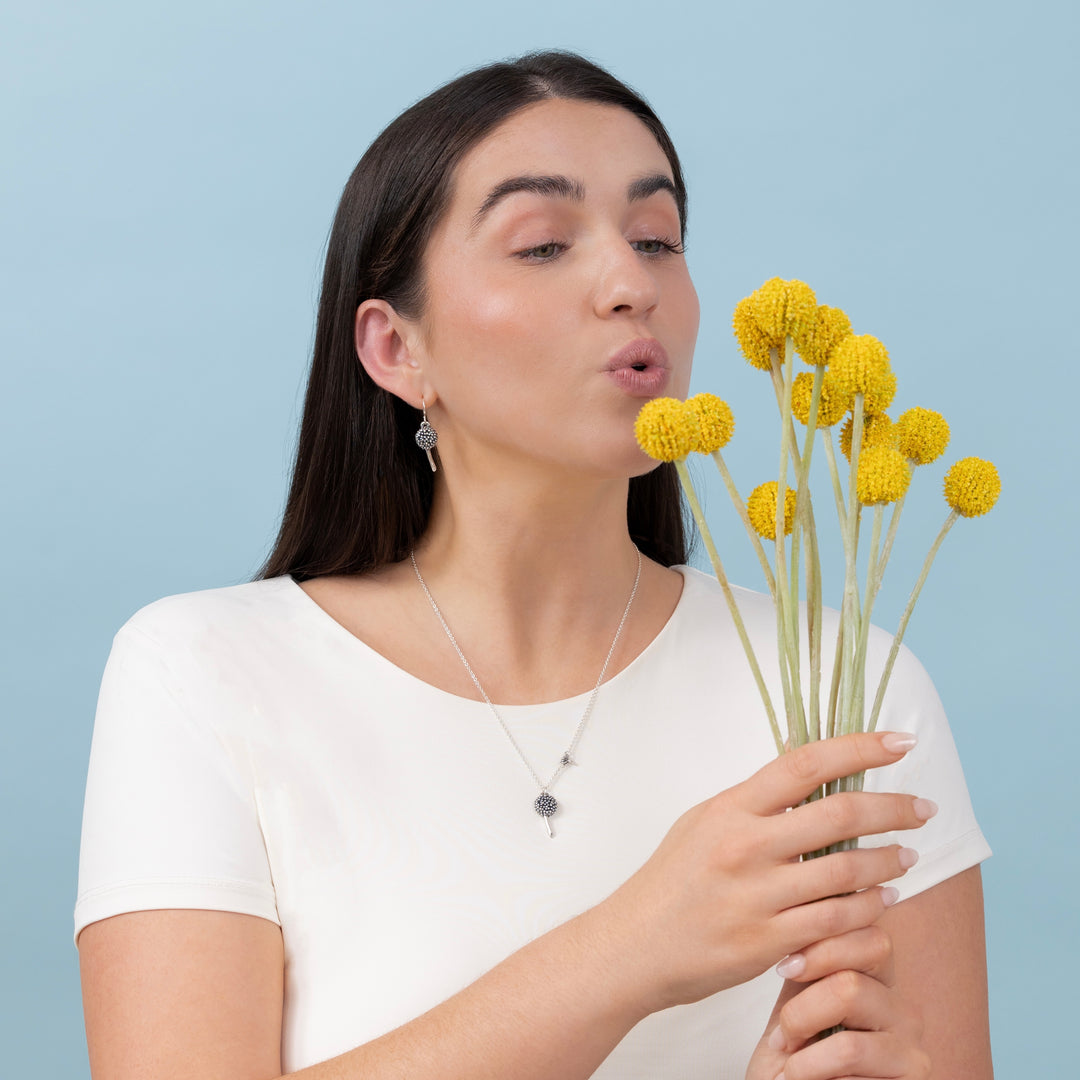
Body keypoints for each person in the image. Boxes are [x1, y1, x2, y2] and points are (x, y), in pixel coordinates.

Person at [75, 51, 992, 1079]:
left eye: (658, 239)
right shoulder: (205, 675)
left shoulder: (846, 695)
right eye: (545, 244)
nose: (629, 283)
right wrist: (633, 948)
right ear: (394, 351)